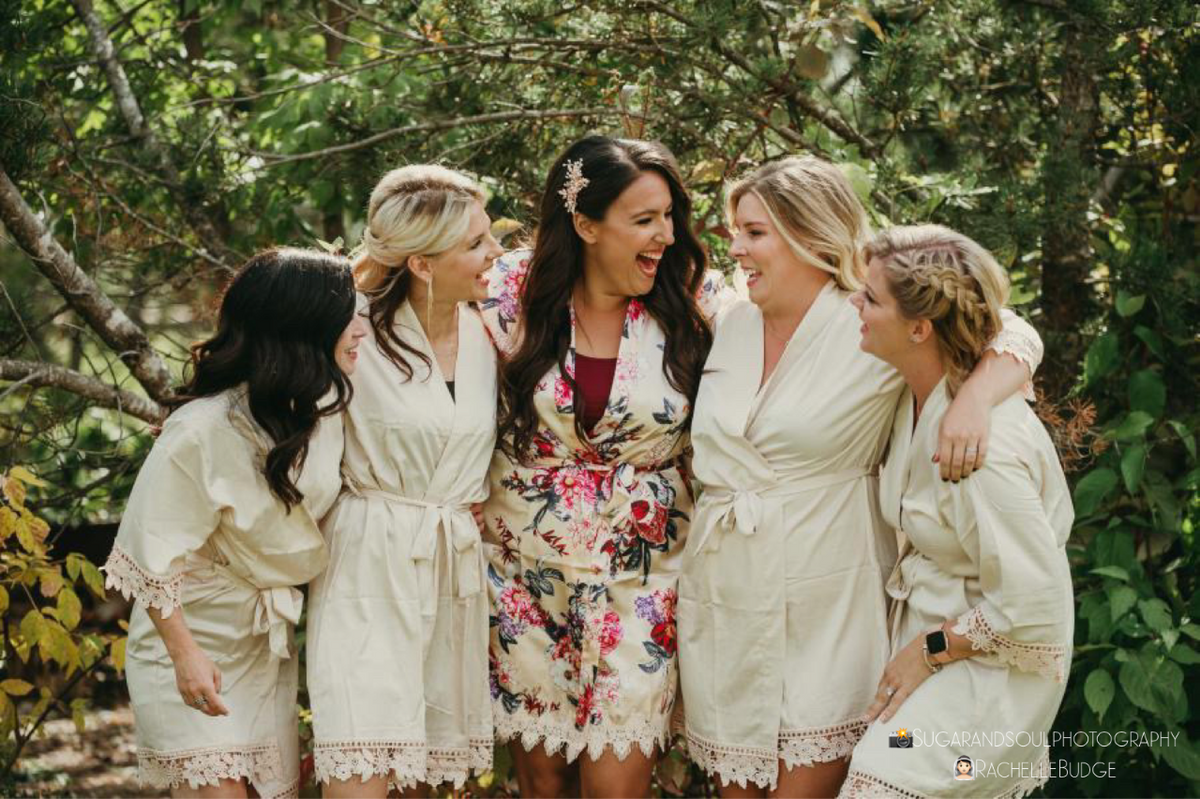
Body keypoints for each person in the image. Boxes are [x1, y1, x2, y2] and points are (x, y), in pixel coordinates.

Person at [677, 157, 1046, 798]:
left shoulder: (871, 326)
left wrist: (975, 399)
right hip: (725, 596)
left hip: (829, 597)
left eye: (754, 232)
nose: (735, 247)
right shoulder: (729, 322)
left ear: (810, 236)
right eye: (736, 230)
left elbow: (1006, 328)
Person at [478, 135, 723, 799]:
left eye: (670, 216)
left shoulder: (701, 302)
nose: (667, 236)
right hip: (522, 579)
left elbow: (842, 311)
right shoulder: (505, 290)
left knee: (617, 784)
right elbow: (389, 303)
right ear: (585, 225)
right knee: (543, 782)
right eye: (645, 220)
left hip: (641, 585)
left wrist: (1000, 365)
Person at [104, 248, 365, 799]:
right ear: (305, 326)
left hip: (263, 646)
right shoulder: (200, 429)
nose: (361, 328)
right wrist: (186, 657)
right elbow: (147, 556)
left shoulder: (322, 412)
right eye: (348, 316)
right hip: (188, 640)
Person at [839, 224, 1073, 798]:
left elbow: (1035, 603)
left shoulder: (982, 454)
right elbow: (1010, 328)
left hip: (987, 686)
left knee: (881, 786)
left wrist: (929, 651)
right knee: (888, 760)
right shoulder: (918, 391)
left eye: (870, 299)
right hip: (927, 671)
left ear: (920, 327)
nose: (854, 303)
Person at [306, 165, 504, 798]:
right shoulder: (348, 327)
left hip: (454, 568)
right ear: (421, 264)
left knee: (424, 779)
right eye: (476, 243)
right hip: (366, 561)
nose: (495, 252)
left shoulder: (492, 329)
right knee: (361, 767)